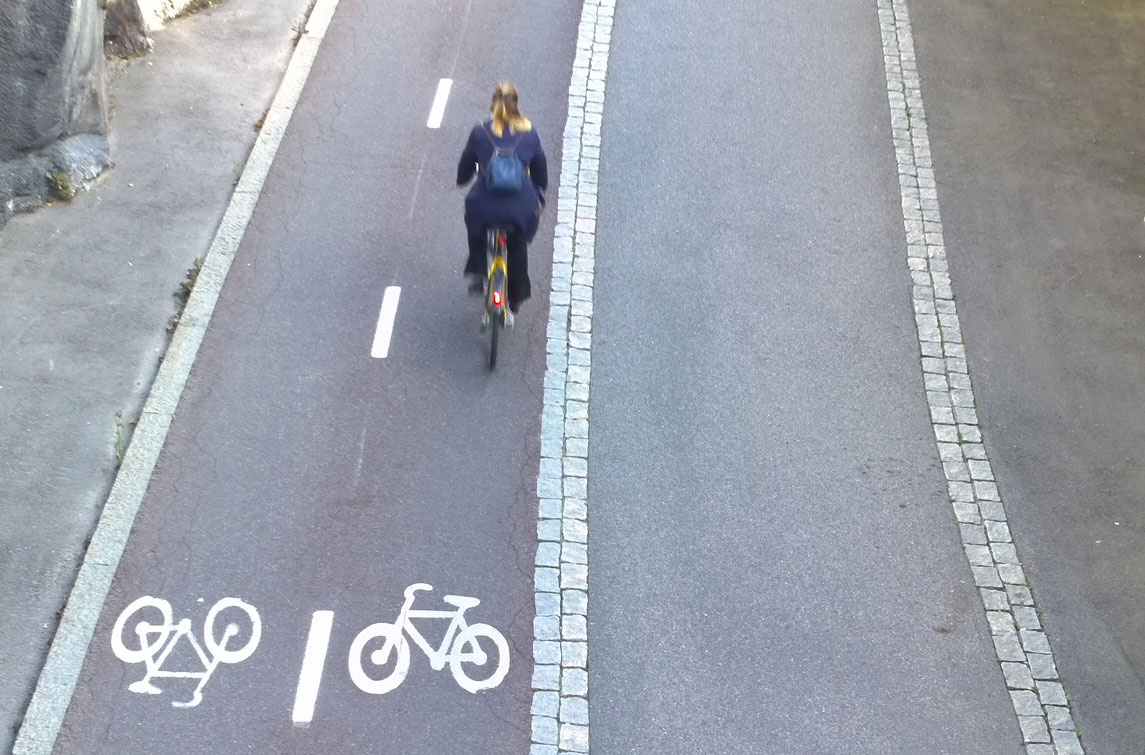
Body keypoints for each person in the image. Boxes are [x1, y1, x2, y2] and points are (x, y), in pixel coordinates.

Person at [456, 82, 548, 324]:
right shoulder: (530, 133)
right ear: (516, 105)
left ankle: (477, 270)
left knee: (473, 218)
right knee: (518, 242)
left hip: (485, 205)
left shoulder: (480, 132)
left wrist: (463, 179)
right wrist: (539, 190)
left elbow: (465, 170)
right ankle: (515, 297)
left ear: (493, 104)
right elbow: (541, 176)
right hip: (521, 208)